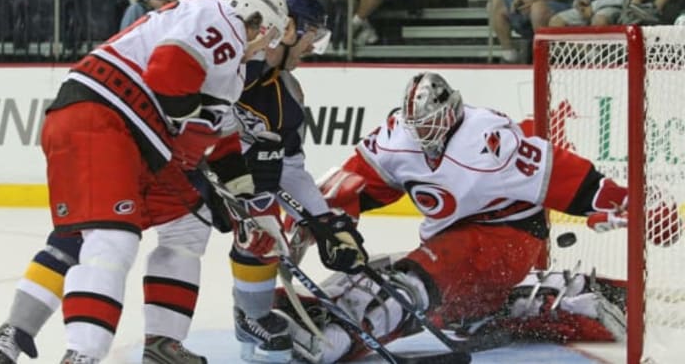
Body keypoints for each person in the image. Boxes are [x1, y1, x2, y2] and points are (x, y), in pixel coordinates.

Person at [0, 0, 290, 364]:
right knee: (110, 238)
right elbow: (168, 75)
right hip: (103, 117)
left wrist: (247, 205)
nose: (267, 46)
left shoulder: (230, 62)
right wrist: (190, 145)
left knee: (189, 225)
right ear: (257, 19)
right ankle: (82, 353)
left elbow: (218, 139)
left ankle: (163, 344)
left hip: (139, 139)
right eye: (271, 35)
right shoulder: (221, 22)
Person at [273, 71, 682, 362]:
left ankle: (338, 339)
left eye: (432, 123)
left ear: (451, 110)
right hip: (451, 241)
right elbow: (358, 181)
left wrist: (629, 203)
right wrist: (319, 219)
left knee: (411, 282)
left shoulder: (490, 138)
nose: (424, 135)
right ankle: (525, 303)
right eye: (417, 125)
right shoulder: (398, 134)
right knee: (390, 278)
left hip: (507, 236)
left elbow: (567, 176)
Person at [228, 0, 366, 363]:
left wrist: (324, 221)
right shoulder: (227, 66)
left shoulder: (288, 93)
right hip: (176, 172)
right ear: (286, 28)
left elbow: (289, 166)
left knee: (262, 218)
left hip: (228, 181)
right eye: (312, 34)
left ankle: (251, 317)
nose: (312, 46)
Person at [487, 0, 590, 62]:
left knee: (538, 8)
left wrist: (539, 0)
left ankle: (543, 56)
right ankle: (509, 53)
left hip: (559, 4)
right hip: (525, 2)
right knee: (496, 3)